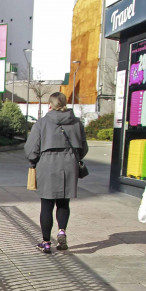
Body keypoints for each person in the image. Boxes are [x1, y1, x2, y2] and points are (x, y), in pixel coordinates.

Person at [24, 91, 89, 254]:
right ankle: (62, 231)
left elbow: (31, 148)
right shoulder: (77, 123)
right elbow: (83, 147)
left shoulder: (42, 123)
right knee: (63, 202)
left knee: (46, 205)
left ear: (50, 105)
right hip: (69, 165)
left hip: (47, 165)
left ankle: (46, 242)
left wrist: (33, 161)